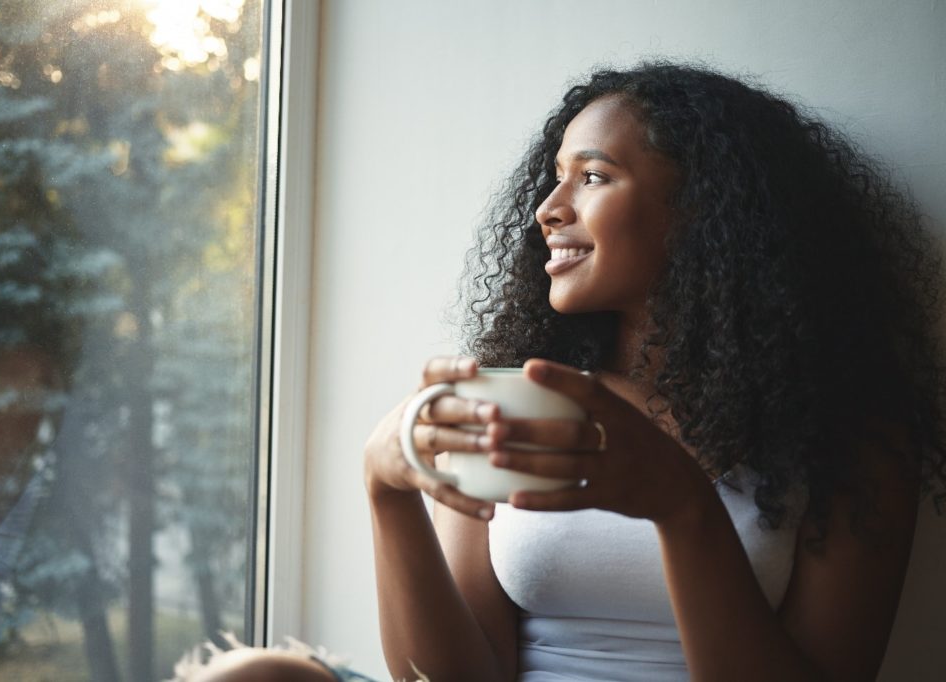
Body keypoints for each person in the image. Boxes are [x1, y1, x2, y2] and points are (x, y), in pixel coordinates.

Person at [186, 61, 945, 681]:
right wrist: (386, 491)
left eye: (593, 176)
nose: (548, 208)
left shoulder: (852, 440)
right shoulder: (519, 398)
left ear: (703, 211)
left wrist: (683, 507)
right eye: (555, 177)